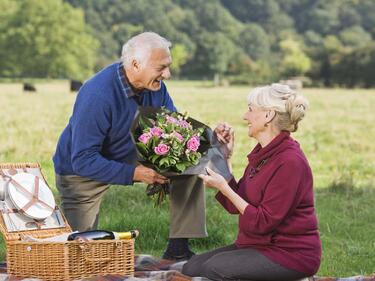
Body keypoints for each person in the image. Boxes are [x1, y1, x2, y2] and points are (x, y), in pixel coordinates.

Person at [53, 32, 205, 260]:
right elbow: (83, 159)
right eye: (161, 68)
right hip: (82, 170)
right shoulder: (98, 94)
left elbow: (175, 128)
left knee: (190, 161)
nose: (168, 74)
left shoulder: (156, 87)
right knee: (78, 253)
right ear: (135, 64)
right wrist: (134, 174)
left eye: (168, 67)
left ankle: (178, 250)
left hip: (131, 151)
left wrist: (208, 137)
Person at [182, 83, 321, 280]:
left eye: (250, 110)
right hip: (257, 245)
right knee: (192, 267)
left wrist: (223, 187)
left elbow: (263, 222)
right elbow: (235, 205)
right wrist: (226, 157)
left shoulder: (290, 162)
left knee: (214, 268)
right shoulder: (263, 154)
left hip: (290, 254)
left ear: (268, 116)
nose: (245, 116)